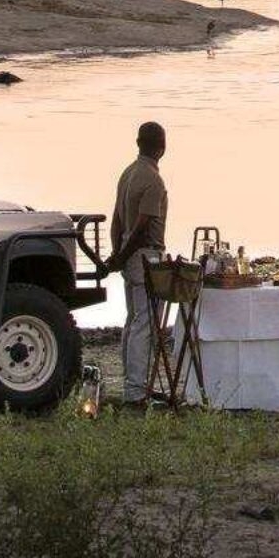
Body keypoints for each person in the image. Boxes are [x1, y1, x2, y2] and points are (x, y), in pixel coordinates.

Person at [111, 121, 169, 397]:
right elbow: (142, 226)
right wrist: (123, 255)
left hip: (128, 253)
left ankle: (131, 383)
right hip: (145, 255)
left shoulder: (128, 173)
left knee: (133, 318)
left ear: (137, 143)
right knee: (145, 323)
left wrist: (117, 254)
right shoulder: (153, 180)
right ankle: (136, 389)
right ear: (162, 147)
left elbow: (117, 220)